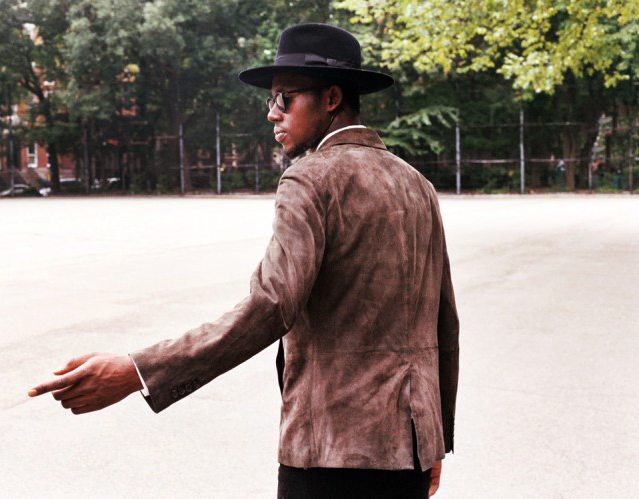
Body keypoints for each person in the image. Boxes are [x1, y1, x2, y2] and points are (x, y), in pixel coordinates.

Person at [28, 23, 459, 498]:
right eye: (271, 100)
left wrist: (137, 370)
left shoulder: (310, 179)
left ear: (332, 98)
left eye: (284, 98)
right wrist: (436, 440)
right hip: (412, 454)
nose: (272, 113)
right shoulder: (418, 184)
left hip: (331, 454)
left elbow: (270, 305)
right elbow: (445, 323)